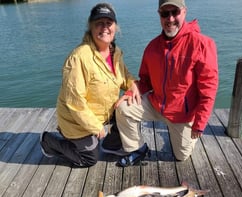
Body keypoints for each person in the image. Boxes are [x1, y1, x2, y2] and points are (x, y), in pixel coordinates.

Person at [113, 0, 219, 167]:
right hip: (157, 104)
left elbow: (209, 88)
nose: (170, 19)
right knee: (123, 108)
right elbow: (145, 81)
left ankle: (185, 133)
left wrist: (200, 123)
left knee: (181, 156)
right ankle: (137, 149)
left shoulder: (203, 44)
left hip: (182, 113)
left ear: (184, 12)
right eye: (165, 13)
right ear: (159, 15)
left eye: (174, 12)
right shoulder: (152, 47)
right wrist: (129, 93)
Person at [40, 3, 140, 167]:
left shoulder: (115, 52)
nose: (104, 27)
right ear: (90, 27)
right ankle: (49, 141)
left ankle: (111, 144)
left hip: (103, 112)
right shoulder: (79, 57)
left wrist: (132, 85)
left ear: (115, 26)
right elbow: (75, 103)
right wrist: (95, 127)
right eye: (99, 23)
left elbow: (123, 77)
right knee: (89, 159)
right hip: (75, 120)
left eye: (109, 23)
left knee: (132, 107)